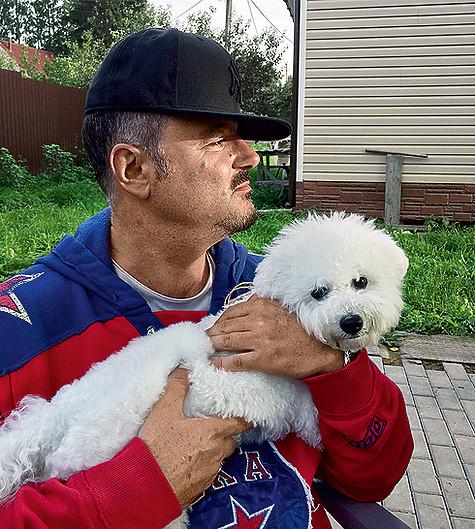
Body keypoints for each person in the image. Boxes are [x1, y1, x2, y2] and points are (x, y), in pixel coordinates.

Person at [0, 28, 413, 529]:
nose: (251, 157)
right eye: (219, 139)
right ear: (134, 168)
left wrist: (334, 369)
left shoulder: (288, 293)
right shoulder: (18, 325)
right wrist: (132, 489)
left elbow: (373, 479)